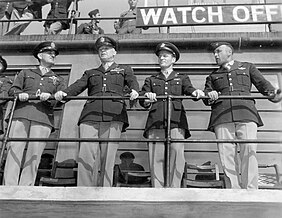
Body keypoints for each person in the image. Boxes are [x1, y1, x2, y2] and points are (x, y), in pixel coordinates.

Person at [55, 36, 139, 187]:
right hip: (90, 115)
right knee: (85, 155)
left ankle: (105, 191)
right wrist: (63, 94)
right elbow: (77, 86)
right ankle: (84, 190)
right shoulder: (90, 72)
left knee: (108, 157)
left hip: (114, 114)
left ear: (114, 52)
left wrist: (134, 91)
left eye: (106, 49)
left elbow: (133, 83)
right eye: (100, 50)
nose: (103, 51)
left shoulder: (125, 69)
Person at [203, 41, 282, 189]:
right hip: (222, 116)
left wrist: (274, 94)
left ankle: (251, 189)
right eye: (214, 52)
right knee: (226, 155)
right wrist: (210, 95)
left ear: (229, 52)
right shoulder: (213, 76)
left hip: (246, 113)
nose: (215, 55)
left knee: (249, 151)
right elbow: (206, 97)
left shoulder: (247, 67)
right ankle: (233, 189)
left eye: (219, 51)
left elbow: (264, 86)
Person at [139, 42, 205, 188]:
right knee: (156, 157)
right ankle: (158, 189)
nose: (162, 58)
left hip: (176, 121)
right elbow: (143, 101)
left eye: (165, 56)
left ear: (173, 59)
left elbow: (190, 90)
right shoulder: (151, 79)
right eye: (160, 56)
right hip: (156, 122)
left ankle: (174, 188)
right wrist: (147, 98)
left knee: (176, 156)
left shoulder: (181, 78)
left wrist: (197, 93)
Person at [3, 41, 65, 186]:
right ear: (39, 55)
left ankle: (26, 186)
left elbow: (61, 100)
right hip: (21, 114)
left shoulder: (59, 79)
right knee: (14, 150)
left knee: (34, 153)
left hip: (43, 117)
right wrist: (20, 94)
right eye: (49, 53)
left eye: (54, 54)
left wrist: (50, 98)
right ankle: (9, 186)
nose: (53, 55)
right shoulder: (26, 73)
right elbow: (13, 90)